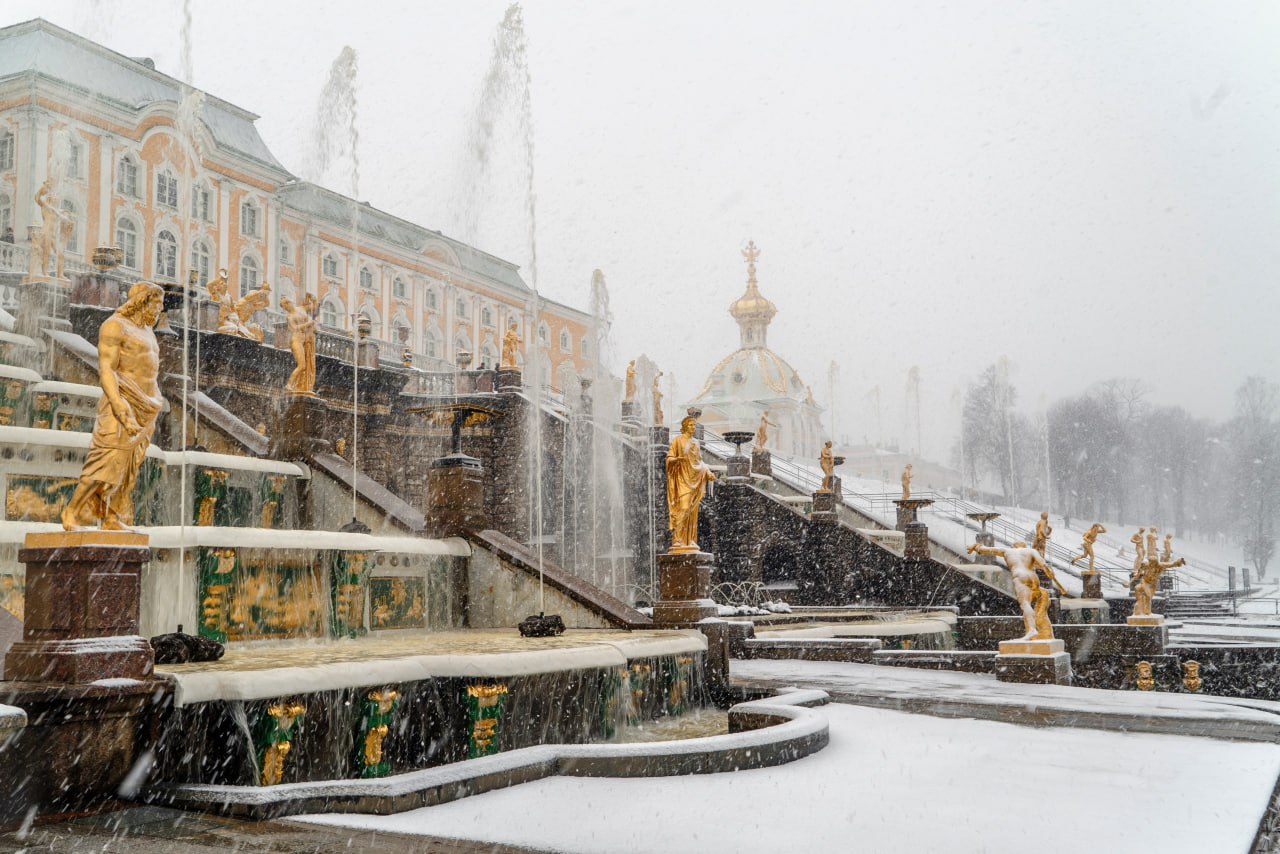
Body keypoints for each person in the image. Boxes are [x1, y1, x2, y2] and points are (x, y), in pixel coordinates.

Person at [61, 282, 164, 530]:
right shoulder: (115, 326)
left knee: (129, 468)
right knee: (105, 460)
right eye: (156, 304)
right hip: (122, 403)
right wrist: (118, 404)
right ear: (141, 301)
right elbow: (106, 369)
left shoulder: (148, 331)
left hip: (146, 407)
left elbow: (150, 369)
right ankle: (71, 512)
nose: (159, 310)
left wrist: (156, 399)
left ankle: (110, 516)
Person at [967, 540, 1066, 640]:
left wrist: (975, 546)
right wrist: (1049, 572)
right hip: (1033, 577)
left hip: (1020, 576)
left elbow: (986, 550)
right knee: (1039, 594)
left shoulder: (1007, 551)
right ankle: (1045, 630)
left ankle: (1032, 630)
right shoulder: (1031, 551)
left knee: (1025, 603)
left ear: (1013, 546)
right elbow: (1044, 565)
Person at [666, 414, 715, 552]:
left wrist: (707, 472)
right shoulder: (677, 441)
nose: (693, 427)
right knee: (683, 508)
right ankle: (677, 539)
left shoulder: (695, 443)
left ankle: (690, 540)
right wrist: (676, 460)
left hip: (694, 479)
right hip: (682, 480)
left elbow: (699, 462)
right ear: (684, 426)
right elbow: (669, 458)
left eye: (694, 425)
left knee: (693, 512)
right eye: (691, 425)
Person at [281, 293, 318, 395]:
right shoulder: (290, 317)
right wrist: (309, 323)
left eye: (286, 304)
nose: (286, 307)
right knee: (302, 366)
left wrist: (313, 299)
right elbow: (294, 328)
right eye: (284, 306)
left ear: (290, 302)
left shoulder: (301, 309)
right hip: (296, 341)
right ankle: (289, 384)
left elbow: (314, 307)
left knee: (305, 366)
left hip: (305, 341)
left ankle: (300, 385)